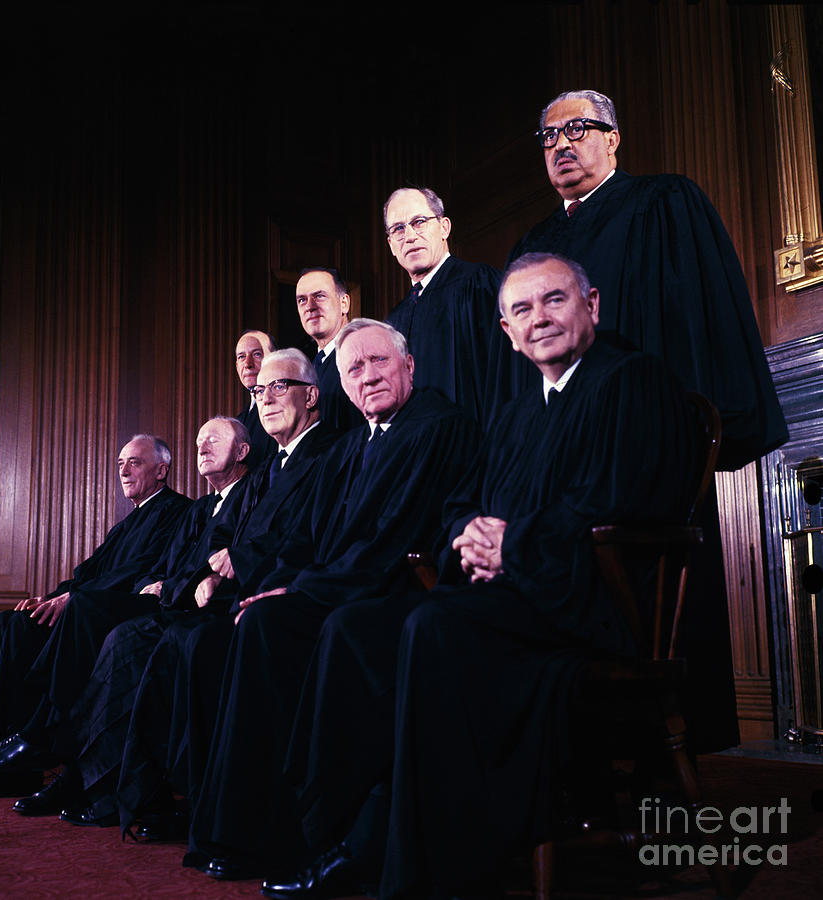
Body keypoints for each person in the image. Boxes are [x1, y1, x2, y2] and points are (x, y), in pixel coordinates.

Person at [262, 252, 705, 900]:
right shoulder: (517, 408)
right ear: (504, 331)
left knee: (434, 628)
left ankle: (422, 862)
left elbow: (621, 500)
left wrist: (513, 544)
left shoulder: (631, 380)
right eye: (521, 309)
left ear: (592, 305)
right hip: (520, 591)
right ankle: (338, 834)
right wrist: (468, 530)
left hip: (594, 605)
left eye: (553, 300)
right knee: (357, 627)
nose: (539, 319)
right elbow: (465, 500)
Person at [507, 88, 789, 754]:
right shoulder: (536, 244)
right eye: (548, 137)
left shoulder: (663, 203)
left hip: (642, 456)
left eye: (578, 129)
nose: (562, 145)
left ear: (613, 137)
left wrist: (666, 437)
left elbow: (697, 326)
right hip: (562, 458)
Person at [185, 318, 479, 883]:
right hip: (346, 586)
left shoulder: (435, 426)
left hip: (404, 594)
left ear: (409, 367)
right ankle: (249, 830)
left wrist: (302, 588)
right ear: (341, 385)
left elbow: (394, 540)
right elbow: (309, 538)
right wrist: (282, 581)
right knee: (260, 621)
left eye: (379, 363)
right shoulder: (355, 447)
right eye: (354, 369)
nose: (367, 378)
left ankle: (331, 835)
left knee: (321, 628)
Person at [53, 349, 337, 831]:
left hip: (275, 597)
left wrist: (226, 571)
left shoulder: (332, 454)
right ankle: (111, 784)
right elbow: (218, 546)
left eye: (278, 387)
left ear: (311, 396)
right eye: (257, 391)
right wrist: (205, 577)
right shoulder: (269, 471)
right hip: (222, 594)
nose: (265, 398)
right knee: (136, 639)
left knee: (173, 640)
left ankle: (171, 798)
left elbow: (306, 538)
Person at [0, 418, 251, 808]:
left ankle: (40, 738)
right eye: (120, 463)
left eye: (134, 463)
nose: (123, 470)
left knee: (83, 611)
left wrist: (77, 597)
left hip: (142, 604)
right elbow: (89, 572)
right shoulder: (140, 521)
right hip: (130, 597)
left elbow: (142, 571)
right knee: (13, 624)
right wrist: (54, 596)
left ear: (161, 470)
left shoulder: (177, 509)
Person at [384, 186, 528, 427]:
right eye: (398, 228)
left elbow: (508, 375)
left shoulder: (479, 284)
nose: (409, 236)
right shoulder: (395, 319)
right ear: (390, 245)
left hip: (477, 449)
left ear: (444, 228)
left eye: (418, 222)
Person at [294, 267, 364, 433]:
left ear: (344, 303)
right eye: (302, 300)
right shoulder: (312, 367)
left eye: (319, 296)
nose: (310, 307)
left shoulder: (363, 356)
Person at [235, 329, 278, 465]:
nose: (248, 364)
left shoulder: (284, 408)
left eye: (257, 354)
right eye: (241, 357)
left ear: (275, 359)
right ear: (237, 366)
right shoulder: (239, 420)